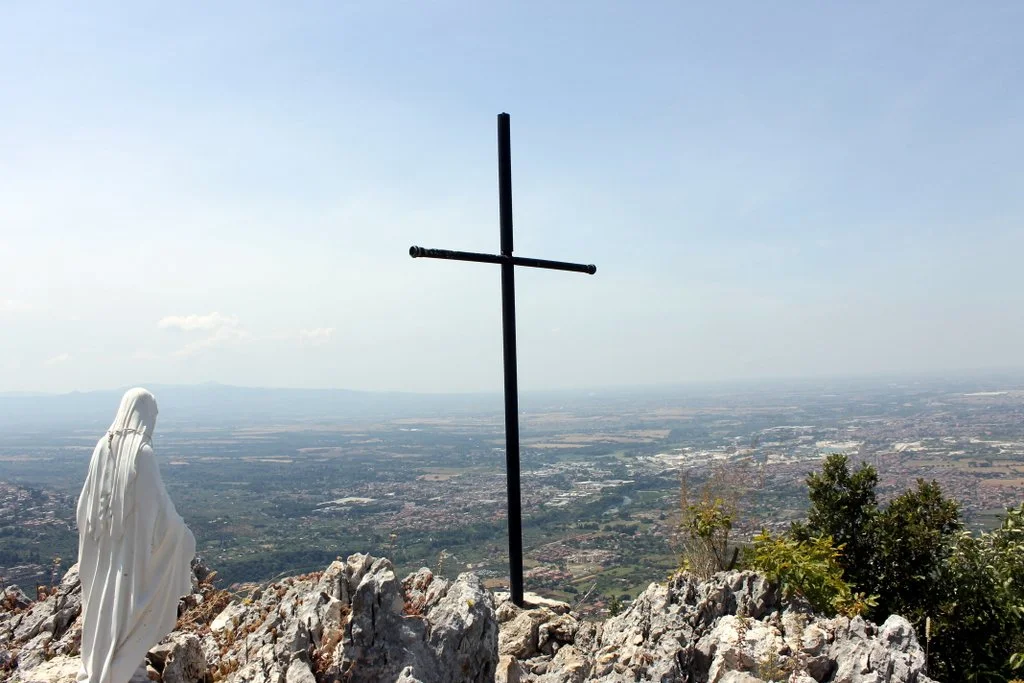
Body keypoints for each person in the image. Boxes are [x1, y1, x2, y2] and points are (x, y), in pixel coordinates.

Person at [76, 388, 195, 683]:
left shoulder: (102, 446)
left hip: (103, 550)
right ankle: (124, 670)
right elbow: (160, 506)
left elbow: (84, 502)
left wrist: (97, 534)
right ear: (143, 415)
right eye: (152, 416)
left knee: (102, 609)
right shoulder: (141, 453)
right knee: (127, 610)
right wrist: (181, 533)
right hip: (130, 554)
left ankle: (104, 663)